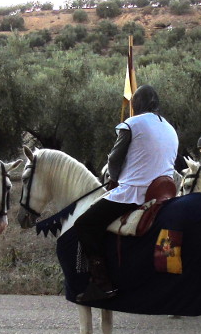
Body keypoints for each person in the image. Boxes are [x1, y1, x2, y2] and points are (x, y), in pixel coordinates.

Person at [73, 85, 179, 303]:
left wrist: (113, 178)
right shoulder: (170, 128)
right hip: (164, 193)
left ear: (137, 104)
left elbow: (114, 159)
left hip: (135, 193)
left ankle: (101, 284)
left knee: (85, 224)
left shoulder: (133, 123)